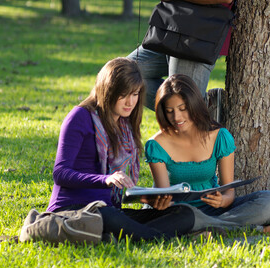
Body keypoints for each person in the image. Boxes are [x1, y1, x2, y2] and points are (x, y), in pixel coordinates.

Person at [47, 58, 195, 242]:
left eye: (135, 94)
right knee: (110, 217)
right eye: (123, 95)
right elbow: (60, 173)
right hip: (75, 210)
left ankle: (119, 236)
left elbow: (119, 194)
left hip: (110, 209)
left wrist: (147, 200)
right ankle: (159, 238)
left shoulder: (125, 124)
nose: (130, 102)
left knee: (184, 213)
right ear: (108, 91)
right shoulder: (80, 117)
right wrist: (105, 179)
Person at [146, 74, 270, 234]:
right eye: (169, 111)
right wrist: (161, 203)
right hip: (179, 212)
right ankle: (253, 229)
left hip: (215, 210)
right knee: (180, 217)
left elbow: (229, 192)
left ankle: (204, 228)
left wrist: (223, 200)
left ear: (194, 105)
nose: (177, 117)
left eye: (183, 109)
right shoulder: (156, 145)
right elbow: (164, 195)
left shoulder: (219, 136)